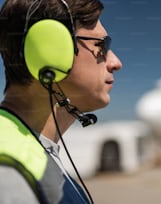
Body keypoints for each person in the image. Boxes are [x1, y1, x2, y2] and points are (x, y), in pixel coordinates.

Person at [0, 0, 122, 203]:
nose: (116, 62)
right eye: (102, 45)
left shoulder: (32, 153)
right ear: (50, 50)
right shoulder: (9, 172)